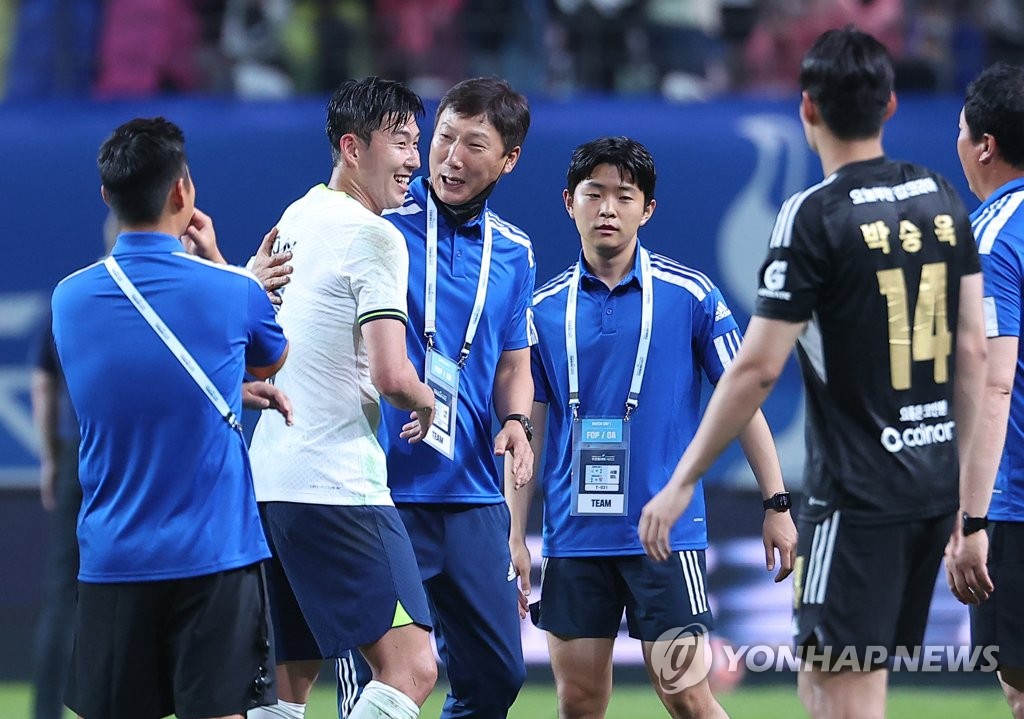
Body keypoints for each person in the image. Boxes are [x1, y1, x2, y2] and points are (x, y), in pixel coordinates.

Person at [638, 27, 988, 719]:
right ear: (889, 106)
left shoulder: (812, 214)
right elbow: (974, 349)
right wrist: (967, 501)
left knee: (835, 695)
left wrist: (682, 482)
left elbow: (757, 368)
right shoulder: (941, 194)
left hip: (857, 498)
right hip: (931, 485)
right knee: (855, 687)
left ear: (807, 109)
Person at [516, 136, 797, 719]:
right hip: (573, 540)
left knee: (689, 697)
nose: (608, 209)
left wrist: (776, 502)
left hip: (665, 538)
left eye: (624, 196)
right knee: (579, 702)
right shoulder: (540, 309)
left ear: (648, 210)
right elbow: (529, 432)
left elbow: (741, 397)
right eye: (594, 194)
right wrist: (515, 533)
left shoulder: (690, 295)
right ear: (569, 202)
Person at [51, 116, 291, 719]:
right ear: (183, 192)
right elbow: (271, 358)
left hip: (113, 559)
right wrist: (221, 262)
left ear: (107, 195)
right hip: (216, 559)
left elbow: (131, 383)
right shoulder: (234, 292)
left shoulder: (68, 300)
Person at [247, 77, 439, 719]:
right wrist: (426, 399)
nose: (416, 159)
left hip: (269, 483)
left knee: (284, 687)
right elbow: (390, 372)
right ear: (353, 148)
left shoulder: (296, 217)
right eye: (402, 142)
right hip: (336, 485)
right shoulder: (376, 236)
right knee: (411, 668)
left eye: (418, 142)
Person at [946, 61, 1024, 717]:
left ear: (985, 146)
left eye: (960, 130)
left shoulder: (992, 237)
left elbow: (993, 383)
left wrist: (971, 520)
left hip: (1016, 504)